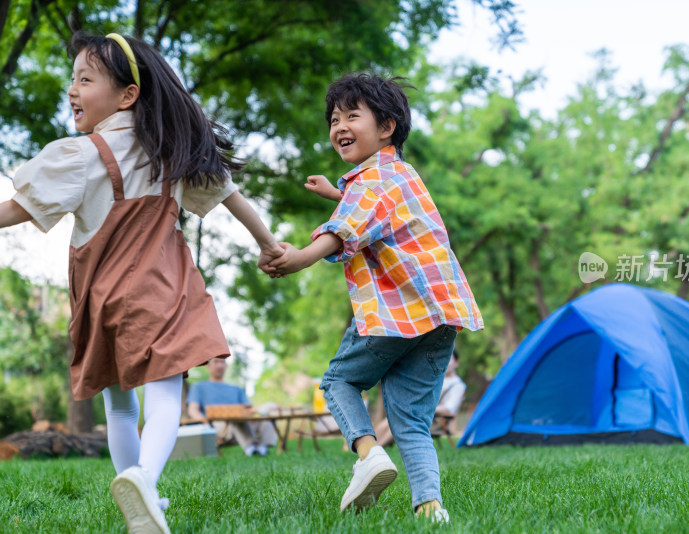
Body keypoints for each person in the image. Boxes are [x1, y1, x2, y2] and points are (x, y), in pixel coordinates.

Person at [0, 32, 283, 534]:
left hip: (100, 295)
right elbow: (232, 198)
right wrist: (267, 244)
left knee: (120, 404)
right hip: (160, 286)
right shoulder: (172, 151)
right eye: (73, 80)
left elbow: (17, 210)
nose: (72, 90)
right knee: (165, 391)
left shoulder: (81, 155)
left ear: (127, 95)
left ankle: (137, 492)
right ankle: (145, 482)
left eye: (84, 79)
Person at [265, 73, 483, 523]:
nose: (338, 125)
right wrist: (337, 191)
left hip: (396, 314)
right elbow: (374, 210)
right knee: (411, 422)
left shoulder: (368, 183)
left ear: (386, 127)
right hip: (441, 317)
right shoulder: (401, 175)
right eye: (333, 118)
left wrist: (301, 257)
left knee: (338, 382)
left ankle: (368, 455)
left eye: (351, 115)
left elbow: (346, 228)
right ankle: (430, 506)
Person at [186, 357, 277, 456]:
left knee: (270, 406)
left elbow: (249, 408)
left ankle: (263, 446)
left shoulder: (236, 389)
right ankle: (252, 447)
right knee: (235, 417)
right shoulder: (198, 387)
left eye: (223, 362)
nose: (220, 365)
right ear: (208, 366)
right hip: (219, 425)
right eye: (216, 362)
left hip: (245, 422)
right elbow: (193, 410)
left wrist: (252, 415)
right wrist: (205, 424)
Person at [374, 351, 465, 447]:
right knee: (389, 421)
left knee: (401, 421)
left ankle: (378, 448)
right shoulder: (437, 379)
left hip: (437, 420)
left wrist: (422, 408)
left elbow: (450, 408)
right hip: (423, 414)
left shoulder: (457, 385)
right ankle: (371, 446)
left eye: (450, 359)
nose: (446, 362)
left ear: (457, 363)